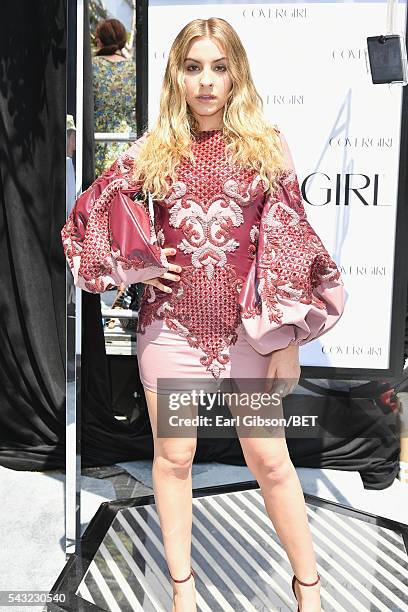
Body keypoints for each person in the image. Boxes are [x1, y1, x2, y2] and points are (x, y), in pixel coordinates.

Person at [61, 17, 345, 612]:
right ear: (176, 76)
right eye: (193, 67)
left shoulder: (267, 145)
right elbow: (86, 222)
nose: (207, 81)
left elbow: (289, 239)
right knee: (174, 457)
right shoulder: (151, 149)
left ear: (236, 71)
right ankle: (182, 592)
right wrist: (131, 266)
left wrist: (288, 337)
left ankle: (309, 588)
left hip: (251, 335)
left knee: (270, 458)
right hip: (172, 332)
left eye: (219, 67)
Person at [92, 18, 137, 177]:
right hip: (126, 137)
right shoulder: (134, 68)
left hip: (97, 137)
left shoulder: (92, 65)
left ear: (100, 40)